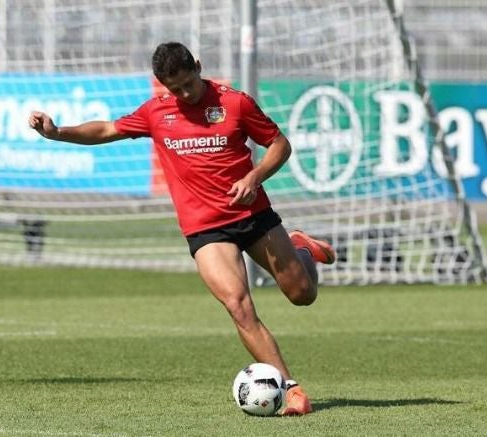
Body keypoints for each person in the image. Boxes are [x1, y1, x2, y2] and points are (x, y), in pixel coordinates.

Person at [28, 42, 336, 416]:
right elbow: (108, 128)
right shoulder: (157, 113)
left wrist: (254, 177)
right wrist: (57, 132)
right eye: (176, 89)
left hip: (253, 215)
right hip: (206, 229)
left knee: (302, 294)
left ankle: (300, 247)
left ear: (199, 67)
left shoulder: (235, 103)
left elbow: (279, 145)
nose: (185, 93)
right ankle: (291, 390)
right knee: (238, 306)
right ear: (163, 87)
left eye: (189, 83)